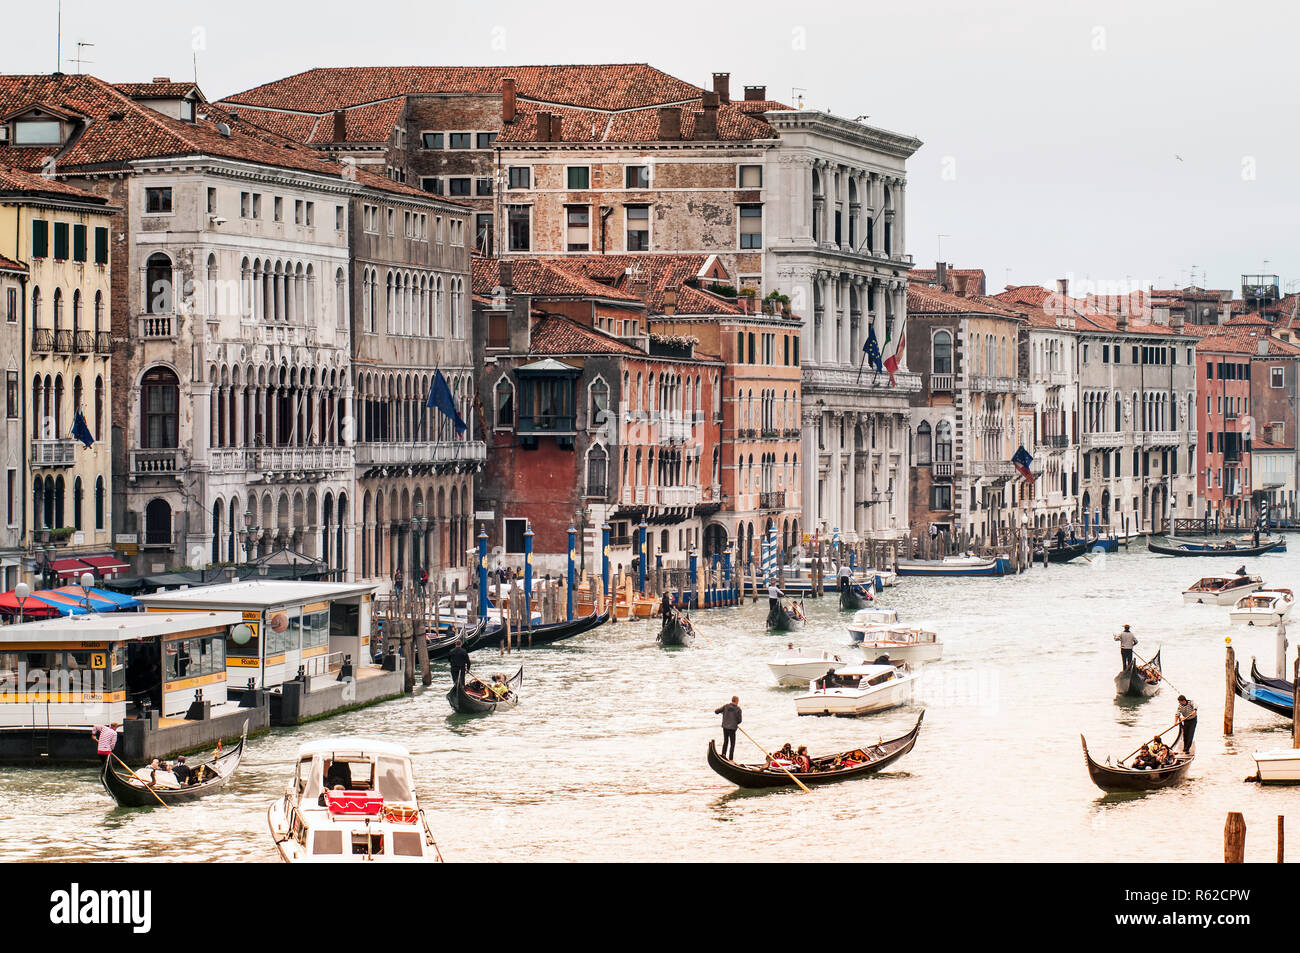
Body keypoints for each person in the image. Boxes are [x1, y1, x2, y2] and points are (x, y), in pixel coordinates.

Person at [714, 696, 741, 760]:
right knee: (732, 743)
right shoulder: (738, 709)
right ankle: (730, 758)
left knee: (725, 741)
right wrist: (736, 723)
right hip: (732, 728)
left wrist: (722, 712)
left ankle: (723, 755)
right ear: (737, 701)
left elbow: (716, 711)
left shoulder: (726, 706)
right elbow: (739, 720)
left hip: (725, 727)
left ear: (732, 700)